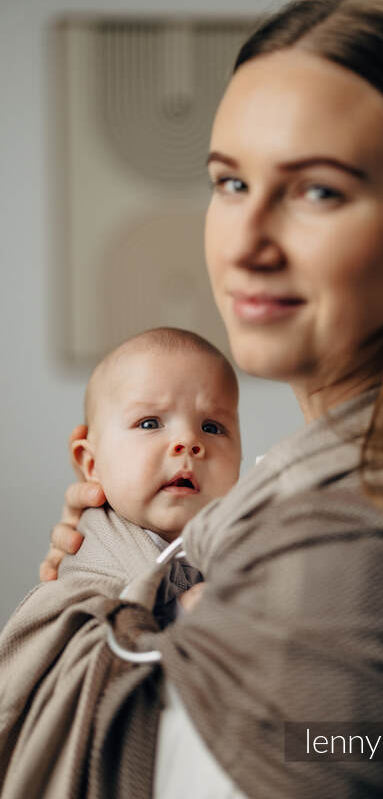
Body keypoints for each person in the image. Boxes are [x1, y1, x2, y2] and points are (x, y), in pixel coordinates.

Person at [36, 0, 383, 797]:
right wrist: (116, 575)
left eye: (317, 192)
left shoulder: (376, 548)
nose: (245, 243)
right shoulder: (296, 492)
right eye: (230, 181)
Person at [0, 327, 241, 797]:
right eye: (151, 423)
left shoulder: (253, 554)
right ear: (90, 463)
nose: (189, 443)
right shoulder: (78, 581)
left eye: (213, 426)